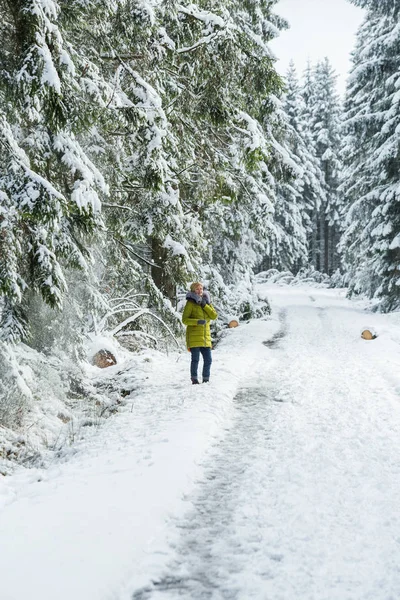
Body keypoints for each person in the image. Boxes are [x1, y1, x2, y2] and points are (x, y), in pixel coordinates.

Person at [182, 282, 218, 384]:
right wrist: (197, 322)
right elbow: (184, 320)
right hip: (194, 336)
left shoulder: (206, 301)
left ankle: (206, 379)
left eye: (201, 288)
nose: (200, 291)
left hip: (205, 337)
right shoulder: (190, 303)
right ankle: (194, 379)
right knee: (195, 359)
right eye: (197, 289)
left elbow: (214, 316)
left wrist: (205, 305)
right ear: (193, 291)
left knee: (208, 359)